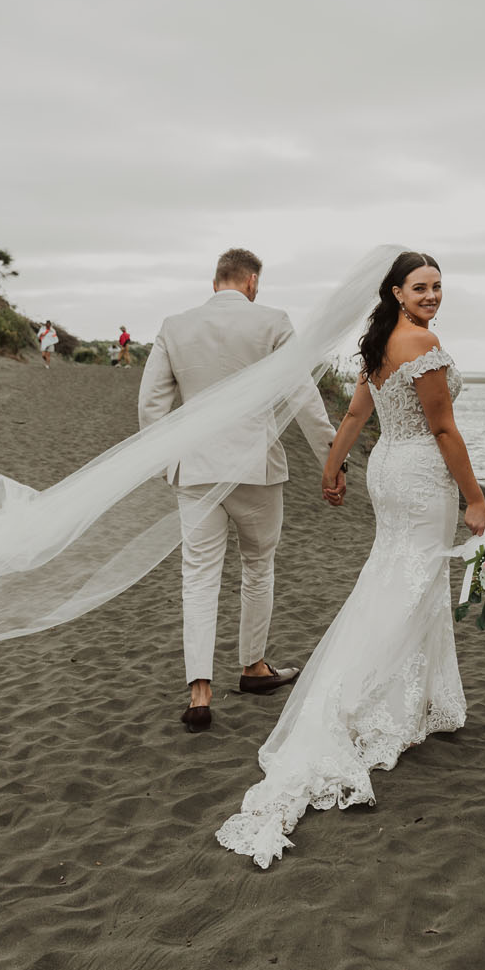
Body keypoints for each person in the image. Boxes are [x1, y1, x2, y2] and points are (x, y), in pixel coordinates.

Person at [216, 251, 485, 868]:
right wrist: (474, 498)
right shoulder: (421, 341)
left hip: (388, 471)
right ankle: (365, 701)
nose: (432, 296)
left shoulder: (380, 341)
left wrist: (334, 465)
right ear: (396, 291)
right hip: (420, 473)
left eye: (438, 288)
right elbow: (443, 429)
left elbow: (357, 414)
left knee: (394, 578)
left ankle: (409, 700)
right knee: (412, 585)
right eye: (421, 287)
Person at [138, 248, 338, 733]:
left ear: (215, 283)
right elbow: (303, 397)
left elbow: (151, 405)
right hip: (256, 466)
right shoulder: (272, 321)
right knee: (257, 566)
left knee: (200, 576)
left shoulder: (174, 326)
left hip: (195, 469)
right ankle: (252, 667)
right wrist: (331, 459)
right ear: (251, 281)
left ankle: (199, 692)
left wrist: (170, 464)